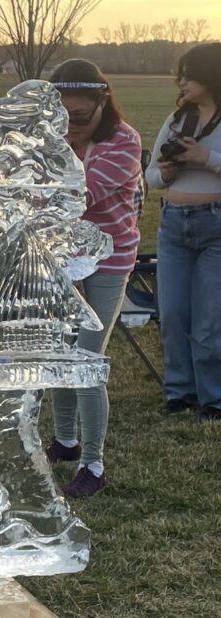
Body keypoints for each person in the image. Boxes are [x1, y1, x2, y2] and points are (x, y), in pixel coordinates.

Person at [44, 59, 143, 497]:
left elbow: (77, 197)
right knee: (60, 353)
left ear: (103, 102)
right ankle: (65, 441)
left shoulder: (124, 142)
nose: (71, 126)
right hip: (62, 258)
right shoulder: (50, 138)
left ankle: (94, 465)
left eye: (80, 117)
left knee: (86, 361)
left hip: (110, 259)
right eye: (60, 117)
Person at [145, 42, 221, 423]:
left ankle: (213, 398)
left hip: (216, 226)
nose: (182, 81)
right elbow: (151, 175)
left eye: (189, 73)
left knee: (209, 320)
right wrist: (168, 173)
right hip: (174, 222)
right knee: (172, 313)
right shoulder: (178, 120)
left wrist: (205, 159)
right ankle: (179, 393)